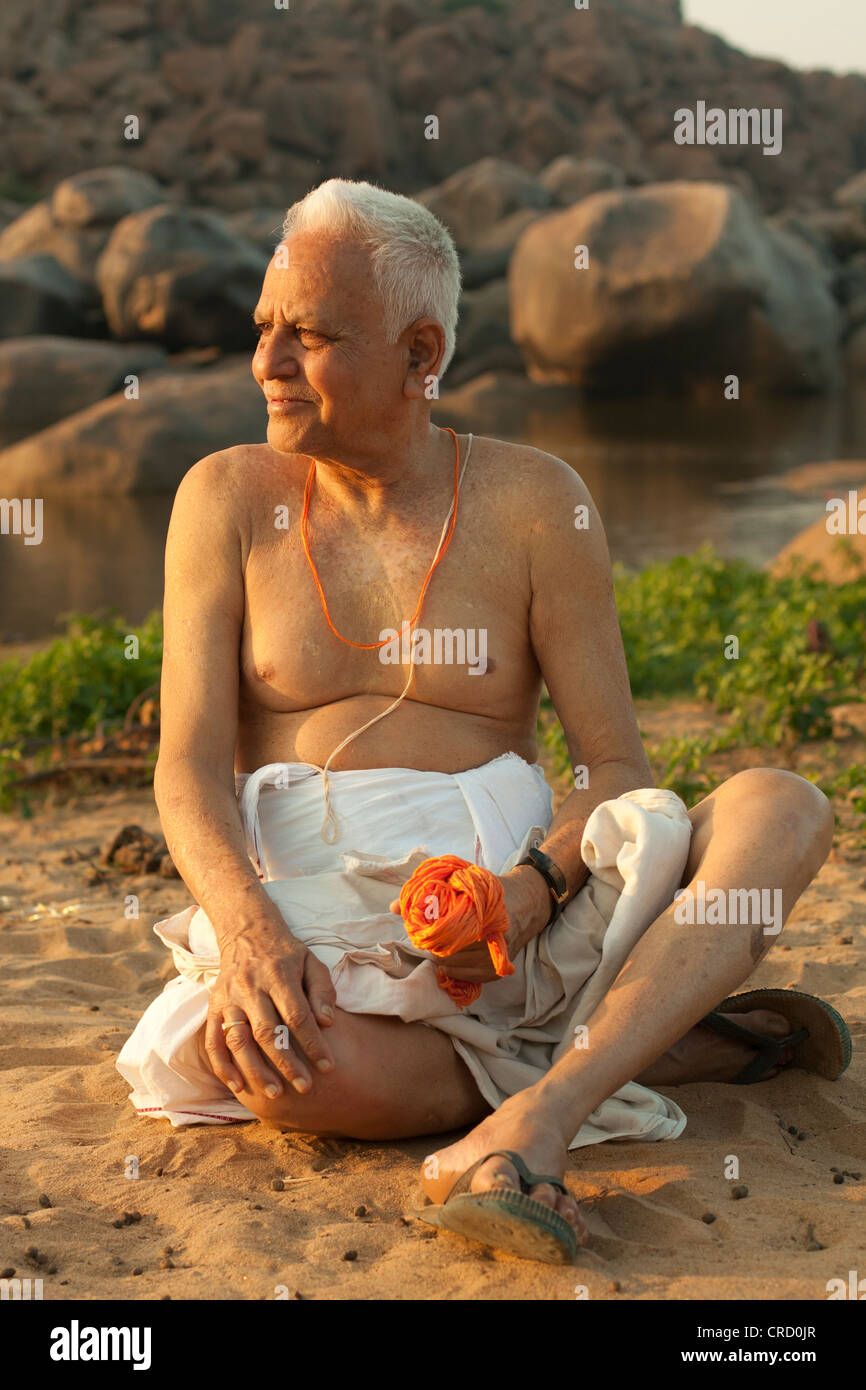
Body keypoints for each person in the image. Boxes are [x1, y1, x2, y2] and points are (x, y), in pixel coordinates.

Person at [118, 178, 848, 1264]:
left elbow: (614, 767)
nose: (265, 362)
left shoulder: (533, 500)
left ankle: (541, 1113)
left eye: (308, 336)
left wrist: (531, 886)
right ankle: (653, 1043)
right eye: (263, 327)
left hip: (529, 921)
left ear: (420, 355)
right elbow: (185, 769)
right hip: (323, 940)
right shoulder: (223, 497)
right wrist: (251, 933)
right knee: (286, 1072)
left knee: (781, 808)